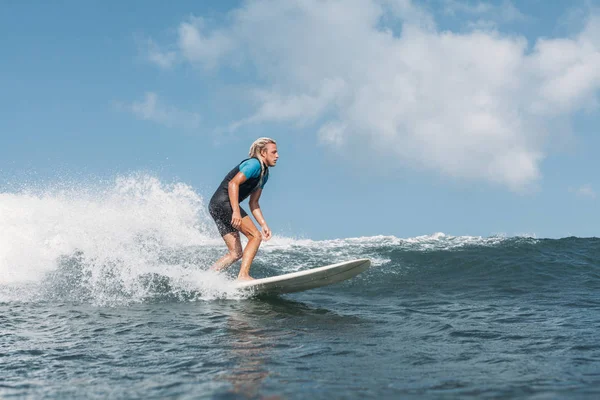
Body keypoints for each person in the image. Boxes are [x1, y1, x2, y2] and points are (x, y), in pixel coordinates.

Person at [208, 138, 279, 280]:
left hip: (216, 205)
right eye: (274, 152)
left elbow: (254, 203)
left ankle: (206, 277)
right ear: (263, 153)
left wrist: (263, 225)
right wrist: (235, 211)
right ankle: (243, 275)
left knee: (235, 253)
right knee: (255, 236)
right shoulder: (254, 164)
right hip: (224, 203)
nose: (277, 156)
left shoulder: (264, 175)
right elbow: (233, 184)